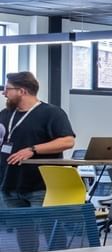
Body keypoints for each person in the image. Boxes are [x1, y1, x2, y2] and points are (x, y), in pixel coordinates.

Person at [0, 71, 75, 208]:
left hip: (40, 187)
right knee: (15, 223)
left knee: (39, 223)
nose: (4, 93)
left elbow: (68, 141)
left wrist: (32, 150)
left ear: (22, 91)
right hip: (8, 187)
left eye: (7, 89)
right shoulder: (5, 114)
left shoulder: (51, 113)